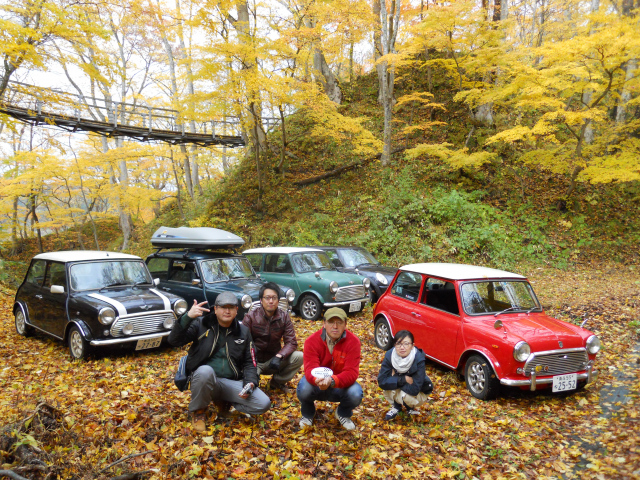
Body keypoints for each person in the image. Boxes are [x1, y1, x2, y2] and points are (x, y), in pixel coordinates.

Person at [168, 291, 270, 432]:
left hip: (230, 382)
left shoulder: (243, 332)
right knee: (205, 371)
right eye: (223, 307)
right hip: (204, 380)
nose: (227, 311)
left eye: (231, 307)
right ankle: (199, 412)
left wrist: (250, 382)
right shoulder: (201, 324)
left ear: (236, 310)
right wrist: (187, 317)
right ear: (215, 309)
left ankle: (226, 403)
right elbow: (174, 340)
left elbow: (250, 362)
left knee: (263, 403)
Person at [296, 307, 363, 431]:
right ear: (324, 323)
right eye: (331, 322)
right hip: (317, 383)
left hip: (339, 385)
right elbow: (310, 368)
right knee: (303, 388)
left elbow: (351, 372)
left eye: (339, 322)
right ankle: (308, 413)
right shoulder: (312, 341)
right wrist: (318, 380)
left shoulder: (353, 342)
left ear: (345, 324)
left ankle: (343, 413)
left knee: (355, 393)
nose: (335, 326)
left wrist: (332, 380)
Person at [242, 282, 303, 394]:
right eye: (267, 298)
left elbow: (291, 342)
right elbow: (243, 342)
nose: (271, 301)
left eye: (274, 298)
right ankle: (253, 380)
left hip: (274, 360)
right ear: (261, 300)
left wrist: (280, 356)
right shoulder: (251, 317)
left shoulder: (284, 316)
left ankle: (277, 382)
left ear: (278, 300)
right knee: (251, 389)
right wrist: (251, 362)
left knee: (299, 356)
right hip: (254, 362)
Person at [377, 330, 433, 421]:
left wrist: (394, 378)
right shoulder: (390, 355)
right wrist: (403, 379)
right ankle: (396, 407)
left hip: (419, 393)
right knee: (387, 389)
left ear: (412, 346)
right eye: (398, 344)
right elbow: (381, 381)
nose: (402, 347)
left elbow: (415, 389)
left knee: (404, 394)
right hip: (405, 385)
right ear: (394, 345)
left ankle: (410, 407)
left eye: (406, 344)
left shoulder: (418, 358)